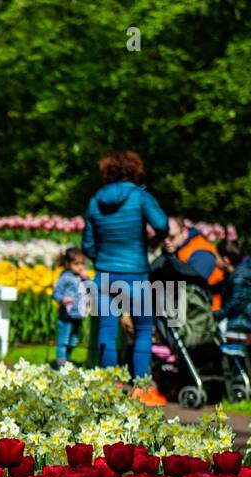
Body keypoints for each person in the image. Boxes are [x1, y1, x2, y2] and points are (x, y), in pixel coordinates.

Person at [81, 150, 169, 405]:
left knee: (106, 334)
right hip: (136, 277)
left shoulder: (95, 201)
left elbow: (87, 245)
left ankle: (110, 386)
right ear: (134, 170)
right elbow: (162, 225)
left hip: (105, 277)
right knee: (142, 331)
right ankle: (141, 387)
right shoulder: (140, 197)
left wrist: (103, 258)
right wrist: (151, 241)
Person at [164, 217, 225, 309]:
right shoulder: (181, 249)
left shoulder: (202, 252)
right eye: (163, 237)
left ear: (184, 232)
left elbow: (193, 286)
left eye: (172, 237)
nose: (166, 241)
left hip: (205, 313)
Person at [52, 247, 89, 366]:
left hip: (78, 314)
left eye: (82, 264)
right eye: (76, 264)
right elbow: (56, 293)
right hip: (66, 315)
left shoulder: (81, 277)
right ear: (68, 264)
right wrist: (62, 299)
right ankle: (61, 363)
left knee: (73, 341)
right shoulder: (65, 277)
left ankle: (66, 359)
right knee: (64, 340)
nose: (80, 267)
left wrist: (87, 279)